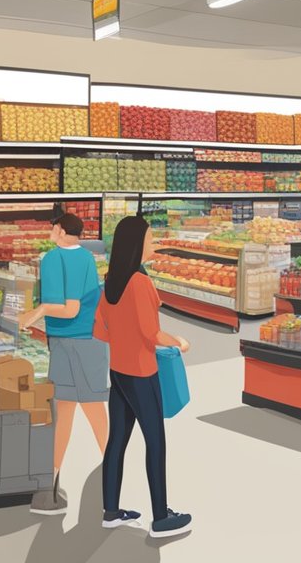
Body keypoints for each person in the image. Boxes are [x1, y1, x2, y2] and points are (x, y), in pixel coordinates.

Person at [92, 215, 193, 538]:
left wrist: (124, 337)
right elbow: (152, 334)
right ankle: (161, 517)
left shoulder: (112, 280)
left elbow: (100, 331)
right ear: (137, 244)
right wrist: (179, 342)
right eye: (150, 238)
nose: (152, 243)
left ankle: (110, 510)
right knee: (155, 442)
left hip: (118, 372)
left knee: (117, 441)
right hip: (141, 371)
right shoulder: (140, 282)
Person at [17, 213, 108, 516]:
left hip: (68, 342)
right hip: (91, 341)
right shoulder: (86, 258)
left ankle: (50, 487)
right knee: (90, 410)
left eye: (54, 228)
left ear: (61, 231)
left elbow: (68, 310)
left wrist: (34, 312)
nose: (52, 232)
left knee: (66, 412)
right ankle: (112, 476)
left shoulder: (53, 259)